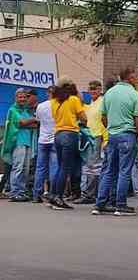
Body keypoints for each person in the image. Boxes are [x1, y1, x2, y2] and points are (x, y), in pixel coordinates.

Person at [92, 68, 138, 216]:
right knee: (124, 171)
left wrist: (111, 127)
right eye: (135, 77)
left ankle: (100, 204)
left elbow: (103, 116)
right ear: (131, 78)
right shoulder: (134, 95)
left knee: (108, 170)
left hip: (112, 136)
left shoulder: (109, 93)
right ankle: (120, 205)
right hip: (128, 135)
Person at [51, 77, 88, 210]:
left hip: (58, 135)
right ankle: (59, 198)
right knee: (65, 168)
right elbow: (84, 118)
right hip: (70, 134)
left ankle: (53, 195)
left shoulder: (54, 101)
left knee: (60, 167)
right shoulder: (73, 100)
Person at [3, 88, 39, 202]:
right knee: (18, 167)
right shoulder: (13, 110)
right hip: (18, 142)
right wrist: (33, 119)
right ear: (16, 98)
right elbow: (21, 122)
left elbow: (33, 126)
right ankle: (14, 192)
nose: (23, 99)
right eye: (20, 97)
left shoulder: (25, 111)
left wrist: (27, 123)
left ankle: (21, 192)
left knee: (25, 168)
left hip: (27, 142)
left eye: (24, 97)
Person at [76, 81, 105, 205]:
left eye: (95, 89)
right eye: (91, 89)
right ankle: (90, 193)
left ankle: (90, 194)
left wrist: (105, 138)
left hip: (98, 136)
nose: (93, 91)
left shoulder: (102, 102)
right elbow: (80, 103)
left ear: (100, 90)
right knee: (90, 167)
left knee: (94, 167)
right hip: (89, 137)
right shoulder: (91, 104)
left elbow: (105, 118)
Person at [32, 86, 58, 203]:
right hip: (54, 139)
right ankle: (52, 193)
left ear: (48, 93)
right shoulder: (59, 105)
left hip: (42, 139)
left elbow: (38, 120)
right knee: (54, 167)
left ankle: (37, 194)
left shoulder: (40, 106)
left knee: (40, 168)